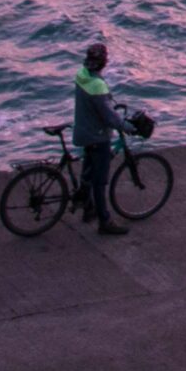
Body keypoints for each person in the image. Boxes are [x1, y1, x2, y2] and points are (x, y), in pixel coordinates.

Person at [72, 42, 136, 235]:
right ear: (103, 62)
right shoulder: (97, 86)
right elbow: (109, 117)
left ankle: (88, 209)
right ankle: (105, 221)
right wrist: (127, 127)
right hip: (97, 136)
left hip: (83, 131)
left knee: (87, 174)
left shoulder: (81, 75)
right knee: (99, 181)